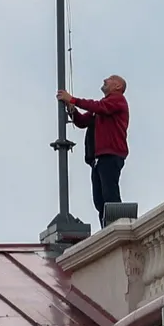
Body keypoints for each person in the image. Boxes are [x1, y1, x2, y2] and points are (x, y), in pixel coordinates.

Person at [57, 75, 129, 226]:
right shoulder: (104, 106)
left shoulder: (117, 100)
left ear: (117, 86)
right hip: (99, 157)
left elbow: (96, 107)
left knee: (110, 194)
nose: (105, 80)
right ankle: (108, 228)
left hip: (110, 154)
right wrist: (73, 110)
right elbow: (83, 121)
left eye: (109, 79)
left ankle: (119, 226)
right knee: (99, 198)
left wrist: (73, 100)